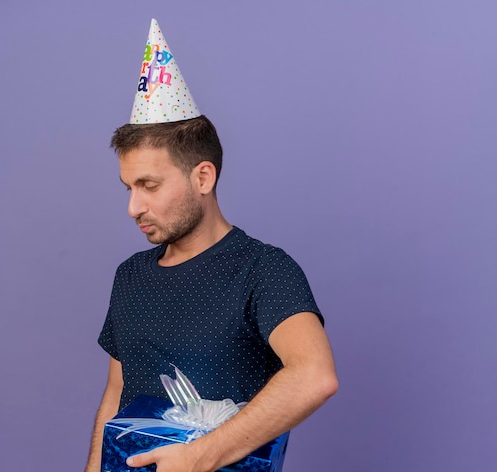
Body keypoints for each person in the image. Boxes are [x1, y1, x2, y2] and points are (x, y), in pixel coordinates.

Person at [85, 19, 338, 472]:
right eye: (128, 188)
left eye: (149, 185)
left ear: (203, 176)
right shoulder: (130, 275)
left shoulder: (263, 269)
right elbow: (115, 393)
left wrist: (197, 458)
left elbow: (313, 375)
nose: (133, 207)